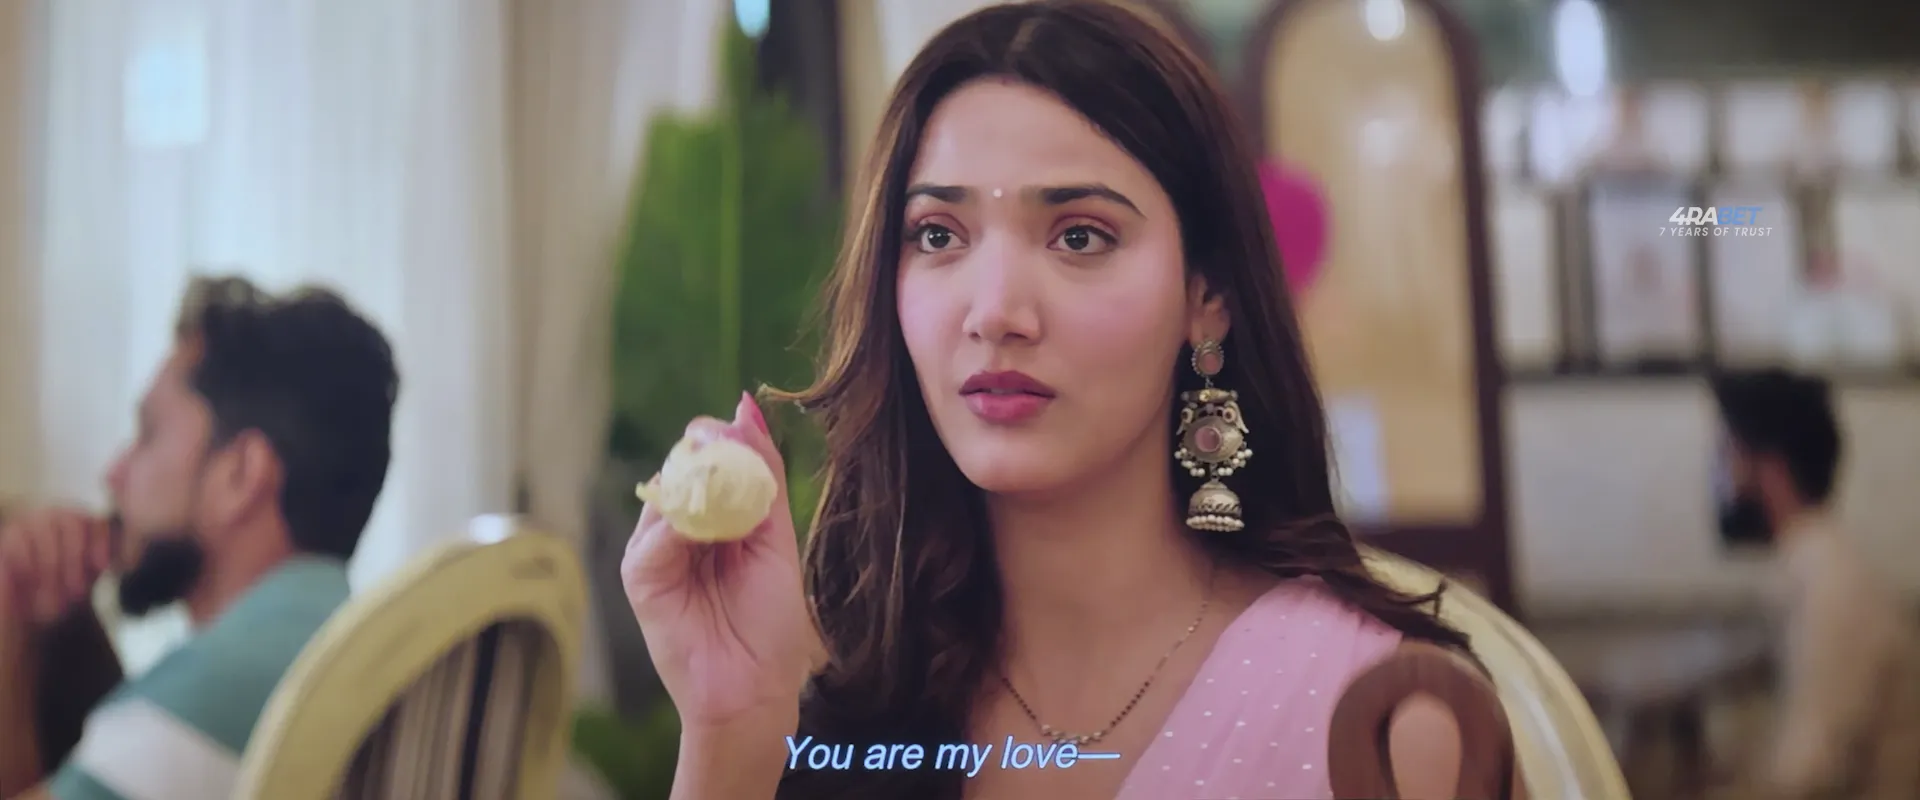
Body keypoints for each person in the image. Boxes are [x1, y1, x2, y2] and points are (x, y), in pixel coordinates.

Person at [622, 2, 1516, 799]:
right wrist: (730, 733)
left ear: (1206, 295)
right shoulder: (847, 717)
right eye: (938, 234)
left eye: (1080, 236)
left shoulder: (1382, 720)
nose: (994, 311)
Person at [0, 275, 399, 800]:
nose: (114, 474)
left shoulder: (220, 686)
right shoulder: (344, 645)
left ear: (241, 475)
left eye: (148, 434)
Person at [1710, 369, 1920, 799]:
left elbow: (1806, 774)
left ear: (1768, 468)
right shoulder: (1815, 567)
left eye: (1728, 452)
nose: (1720, 476)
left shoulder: (1831, 588)